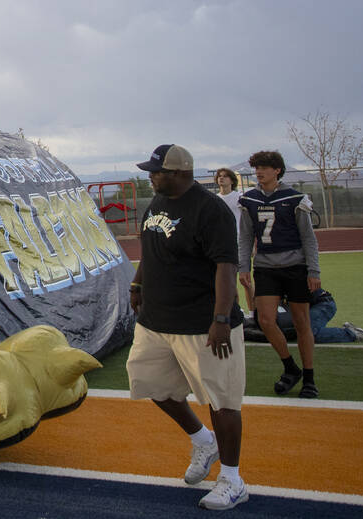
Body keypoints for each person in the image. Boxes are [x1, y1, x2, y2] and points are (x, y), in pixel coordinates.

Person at [127, 144, 247, 511]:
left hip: (201, 323)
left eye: (157, 171)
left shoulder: (210, 210)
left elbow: (225, 267)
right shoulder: (158, 202)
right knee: (152, 386)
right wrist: (137, 283)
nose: (151, 176)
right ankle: (201, 439)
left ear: (180, 172)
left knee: (222, 401)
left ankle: (232, 478)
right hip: (156, 320)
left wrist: (221, 319)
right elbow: (151, 249)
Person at [238, 150, 320, 398]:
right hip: (265, 267)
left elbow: (309, 238)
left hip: (295, 266)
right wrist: (244, 266)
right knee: (264, 320)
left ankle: (309, 378)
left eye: (264, 167)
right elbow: (245, 237)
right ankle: (290, 367)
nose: (259, 172)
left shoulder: (295, 197)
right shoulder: (249, 199)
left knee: (302, 322)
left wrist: (313, 270)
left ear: (277, 170)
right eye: (256, 168)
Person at [243, 287, 363, 344]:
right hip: (305, 308)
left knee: (308, 334)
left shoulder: (293, 277)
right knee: (300, 331)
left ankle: (352, 334)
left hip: (323, 304)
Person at [214, 168, 254, 313]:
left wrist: (251, 244)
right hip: (224, 246)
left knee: (245, 280)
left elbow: (248, 221)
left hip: (240, 243)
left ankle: (253, 312)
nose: (221, 179)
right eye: (219, 176)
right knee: (229, 282)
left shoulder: (240, 198)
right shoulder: (215, 199)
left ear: (232, 180)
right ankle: (236, 312)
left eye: (225, 176)